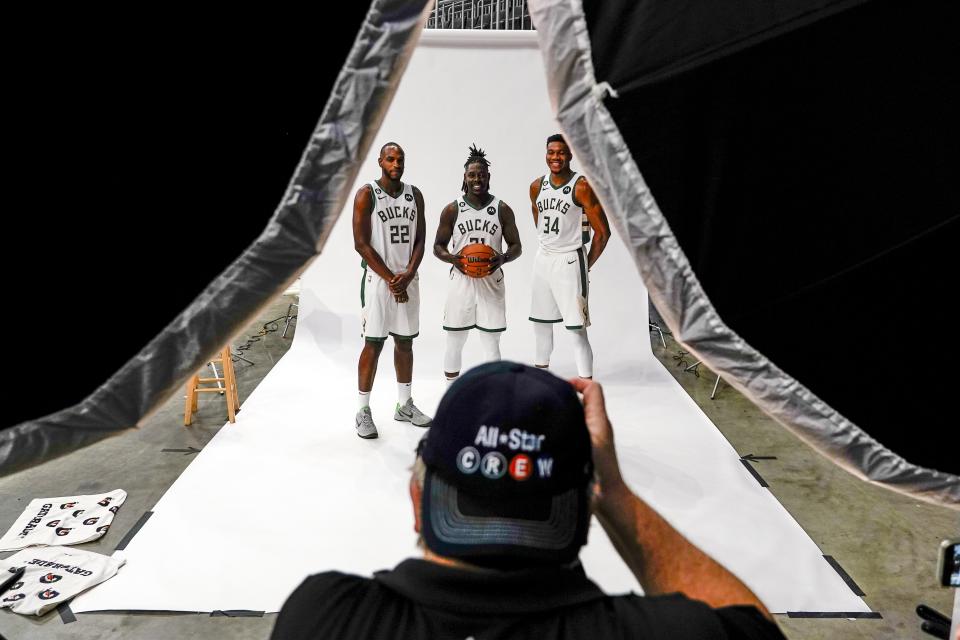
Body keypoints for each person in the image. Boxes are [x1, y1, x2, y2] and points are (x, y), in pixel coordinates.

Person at [271, 362, 786, 639]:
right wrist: (615, 489)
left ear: (417, 498)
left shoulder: (325, 617)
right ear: (585, 506)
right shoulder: (653, 632)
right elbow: (753, 628)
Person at [351, 142, 432, 439]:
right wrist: (391, 279)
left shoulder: (415, 194)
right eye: (390, 159)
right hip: (378, 282)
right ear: (380, 162)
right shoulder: (366, 194)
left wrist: (408, 274)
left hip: (407, 279)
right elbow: (360, 243)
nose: (396, 164)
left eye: (400, 159)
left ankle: (404, 404)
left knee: (405, 343)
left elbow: (422, 238)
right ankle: (362, 411)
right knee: (374, 343)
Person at [433, 144, 522, 385]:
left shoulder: (502, 209)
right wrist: (453, 258)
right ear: (465, 177)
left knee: (491, 342)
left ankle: (491, 395)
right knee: (454, 340)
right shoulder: (452, 209)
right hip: (461, 280)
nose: (477, 179)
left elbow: (517, 246)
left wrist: (503, 257)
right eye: (472, 174)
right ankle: (451, 397)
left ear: (488, 176)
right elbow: (437, 246)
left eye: (481, 174)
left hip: (491, 281)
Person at [529, 133, 611, 379]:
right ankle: (540, 379)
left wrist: (586, 265)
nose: (556, 157)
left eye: (561, 153)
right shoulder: (536, 186)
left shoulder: (582, 186)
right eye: (551, 152)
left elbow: (603, 233)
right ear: (546, 154)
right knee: (541, 325)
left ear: (570, 155)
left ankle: (587, 386)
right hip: (542, 259)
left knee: (576, 330)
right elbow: (539, 219)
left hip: (569, 260)